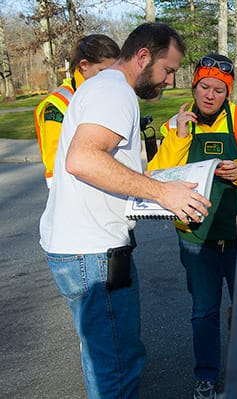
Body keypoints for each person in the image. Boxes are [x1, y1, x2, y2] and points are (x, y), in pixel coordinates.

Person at [39, 23, 212, 399]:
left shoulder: (102, 89)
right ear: (144, 56)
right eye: (168, 70)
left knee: (102, 355)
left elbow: (106, 166)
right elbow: (82, 159)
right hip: (94, 253)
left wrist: (156, 188)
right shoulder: (115, 93)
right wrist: (161, 192)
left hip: (80, 246)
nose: (169, 81)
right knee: (117, 363)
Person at [148, 53, 237, 399]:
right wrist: (179, 137)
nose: (210, 96)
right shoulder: (174, 126)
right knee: (203, 311)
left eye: (218, 90)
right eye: (204, 87)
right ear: (194, 87)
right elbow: (157, 176)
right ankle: (205, 376)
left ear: (228, 93)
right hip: (196, 237)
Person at [34, 34, 120, 188]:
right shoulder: (57, 105)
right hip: (72, 191)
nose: (111, 77)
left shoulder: (101, 92)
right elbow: (55, 161)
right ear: (84, 65)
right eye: (103, 70)